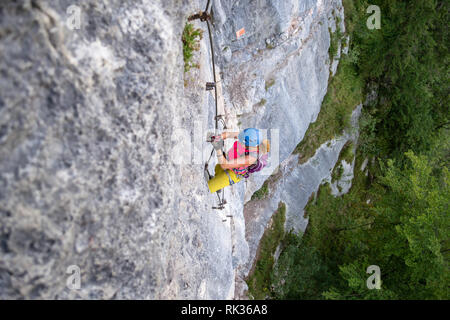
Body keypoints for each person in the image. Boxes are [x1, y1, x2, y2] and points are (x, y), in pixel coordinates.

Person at [206, 128, 270, 193]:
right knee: (217, 167)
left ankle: (217, 184)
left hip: (233, 174)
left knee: (207, 188)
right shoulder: (246, 137)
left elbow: (225, 165)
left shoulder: (251, 158)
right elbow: (229, 134)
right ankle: (217, 183)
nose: (240, 141)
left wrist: (218, 148)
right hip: (229, 162)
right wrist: (218, 137)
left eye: (242, 142)